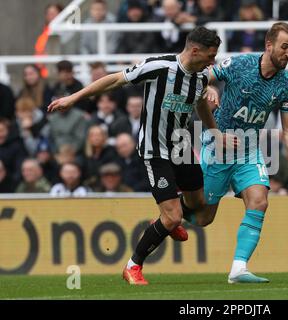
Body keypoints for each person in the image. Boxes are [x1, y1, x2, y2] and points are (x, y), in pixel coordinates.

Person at [47, 26, 222, 285]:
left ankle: (163, 221)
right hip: (155, 151)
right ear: (195, 50)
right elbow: (114, 80)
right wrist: (74, 97)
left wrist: (214, 132)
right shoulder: (159, 67)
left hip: (181, 147)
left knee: (199, 207)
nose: (213, 61)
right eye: (210, 55)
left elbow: (199, 104)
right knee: (173, 216)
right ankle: (133, 265)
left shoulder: (201, 78)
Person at [183, 22, 288, 283]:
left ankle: (238, 268)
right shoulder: (241, 65)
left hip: (249, 151)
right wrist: (208, 86)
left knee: (259, 200)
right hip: (218, 146)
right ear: (269, 45)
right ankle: (173, 214)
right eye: (284, 47)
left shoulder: (286, 84)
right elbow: (204, 75)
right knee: (203, 218)